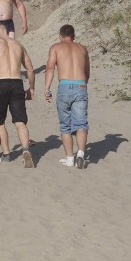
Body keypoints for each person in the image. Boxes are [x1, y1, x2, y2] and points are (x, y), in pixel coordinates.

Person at [0, 22, 36, 167]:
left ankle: (6, 154)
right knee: (19, 121)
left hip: (2, 84)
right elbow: (30, 69)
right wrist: (31, 88)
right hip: (17, 83)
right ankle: (25, 150)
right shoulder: (18, 45)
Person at [44, 24, 91, 169]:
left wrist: (47, 88)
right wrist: (83, 85)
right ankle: (81, 153)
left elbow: (50, 68)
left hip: (64, 85)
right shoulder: (82, 49)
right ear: (74, 36)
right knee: (81, 123)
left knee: (65, 125)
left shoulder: (56, 48)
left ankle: (70, 158)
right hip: (81, 85)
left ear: (60, 36)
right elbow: (87, 70)